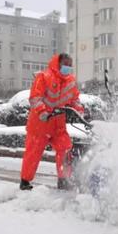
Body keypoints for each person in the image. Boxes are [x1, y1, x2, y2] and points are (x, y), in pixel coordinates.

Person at [20, 53, 84, 191]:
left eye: (70, 65)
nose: (68, 67)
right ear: (58, 63)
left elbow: (74, 99)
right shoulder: (44, 76)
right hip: (40, 123)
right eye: (65, 64)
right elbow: (35, 97)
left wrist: (80, 110)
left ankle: (63, 180)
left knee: (66, 148)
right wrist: (42, 112)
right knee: (33, 153)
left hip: (58, 124)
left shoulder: (70, 81)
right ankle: (25, 181)